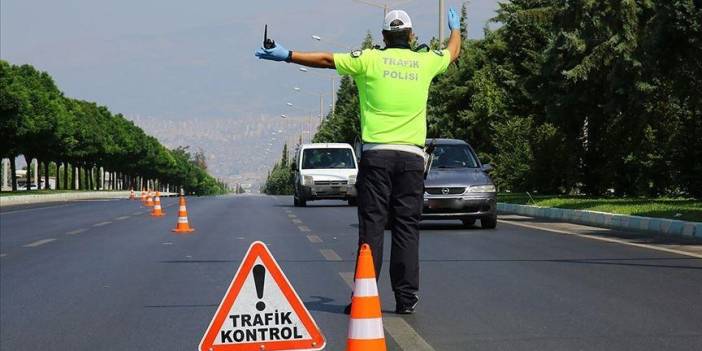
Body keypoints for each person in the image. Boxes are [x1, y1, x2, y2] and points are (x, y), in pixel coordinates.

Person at [256, 8, 462, 314]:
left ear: (383, 37)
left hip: (376, 157)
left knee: (372, 227)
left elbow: (326, 60)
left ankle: (365, 295)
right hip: (411, 159)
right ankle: (406, 299)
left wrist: (288, 55)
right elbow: (452, 52)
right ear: (411, 35)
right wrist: (455, 28)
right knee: (406, 227)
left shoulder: (368, 59)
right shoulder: (425, 61)